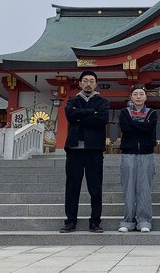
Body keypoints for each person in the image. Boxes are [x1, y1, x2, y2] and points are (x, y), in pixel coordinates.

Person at [60, 71, 109, 233]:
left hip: (94, 150)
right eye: (85, 81)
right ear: (80, 83)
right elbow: (70, 115)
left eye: (92, 81)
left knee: (95, 187)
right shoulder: (72, 101)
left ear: (96, 84)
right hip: (74, 150)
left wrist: (80, 116)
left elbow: (102, 119)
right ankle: (70, 221)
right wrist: (90, 113)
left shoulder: (102, 102)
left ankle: (95, 221)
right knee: (72, 186)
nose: (88, 83)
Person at [118, 85, 157, 233]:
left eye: (141, 94)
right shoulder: (124, 112)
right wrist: (141, 126)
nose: (139, 96)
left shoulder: (152, 112)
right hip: (128, 153)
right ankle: (128, 221)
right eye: (135, 94)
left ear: (146, 97)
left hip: (147, 154)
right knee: (128, 187)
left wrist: (134, 125)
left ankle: (144, 221)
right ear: (131, 97)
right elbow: (126, 130)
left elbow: (149, 130)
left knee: (145, 188)